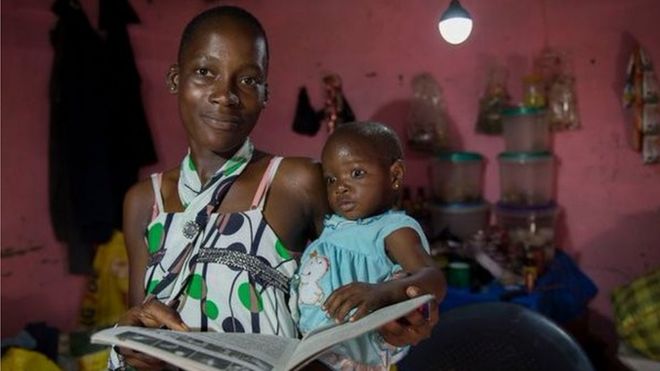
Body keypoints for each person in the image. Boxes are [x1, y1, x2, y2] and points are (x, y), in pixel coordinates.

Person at [111, 5, 439, 370]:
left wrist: (401, 317)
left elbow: (377, 259)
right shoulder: (143, 201)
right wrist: (134, 340)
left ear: (266, 93)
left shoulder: (296, 182)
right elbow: (140, 316)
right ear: (175, 79)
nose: (226, 95)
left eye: (248, 80)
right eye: (205, 72)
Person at [294, 122, 446, 370]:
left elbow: (433, 279)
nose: (340, 187)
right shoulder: (335, 227)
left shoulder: (393, 228)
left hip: (359, 361)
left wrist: (383, 292)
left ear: (395, 175)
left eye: (356, 173)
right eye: (331, 180)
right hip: (315, 354)